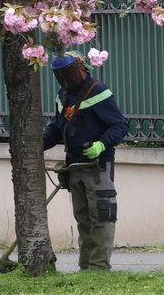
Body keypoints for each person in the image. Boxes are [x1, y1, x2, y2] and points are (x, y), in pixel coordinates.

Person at [43, 50, 128, 271]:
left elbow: (120, 125)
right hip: (74, 166)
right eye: (59, 75)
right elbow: (56, 129)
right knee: (83, 220)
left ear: (81, 69)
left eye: (67, 74)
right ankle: (85, 268)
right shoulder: (63, 95)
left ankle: (99, 268)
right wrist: (37, 144)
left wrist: (101, 144)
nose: (64, 79)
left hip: (97, 166)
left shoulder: (98, 91)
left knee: (101, 217)